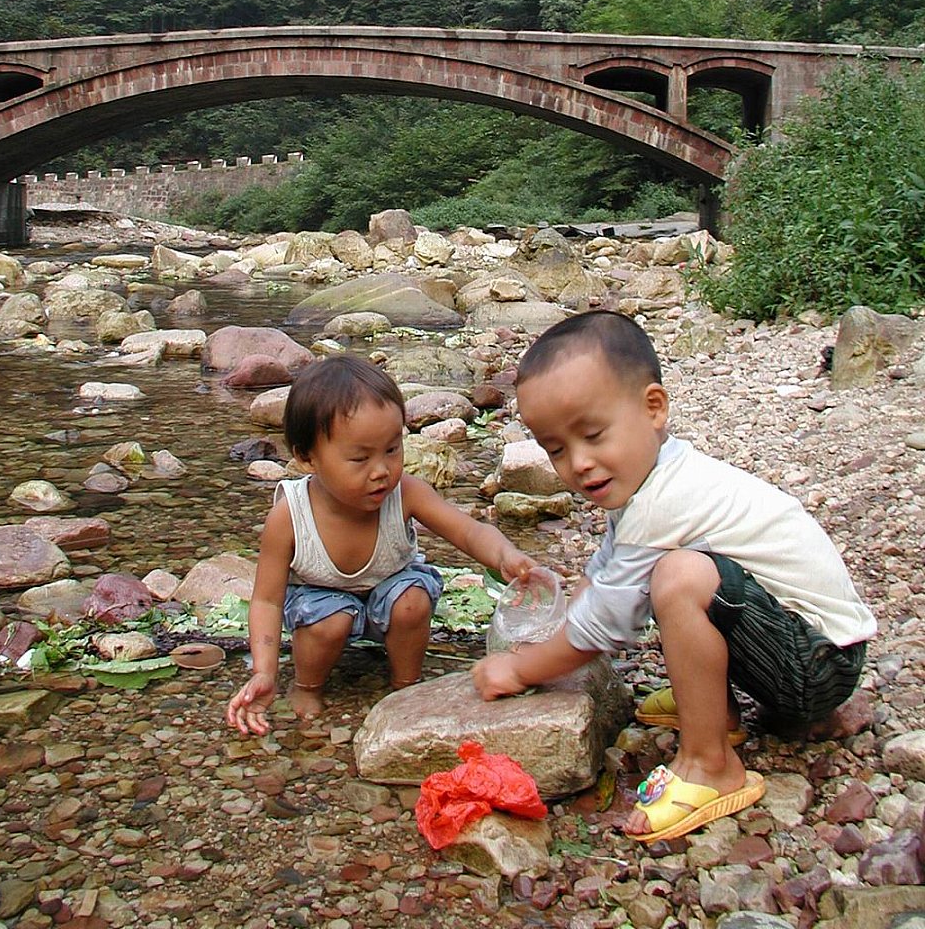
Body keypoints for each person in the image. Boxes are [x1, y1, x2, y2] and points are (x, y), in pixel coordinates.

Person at [472, 310, 876, 844]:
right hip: (797, 646)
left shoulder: (665, 499)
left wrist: (523, 668)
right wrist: (561, 623)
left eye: (593, 435)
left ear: (654, 408)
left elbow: (604, 628)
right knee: (674, 571)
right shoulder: (655, 473)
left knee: (680, 577)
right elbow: (608, 568)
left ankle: (711, 764)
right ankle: (715, 711)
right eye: (557, 449)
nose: (580, 463)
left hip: (819, 667)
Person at [227, 354, 536, 734]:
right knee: (329, 621)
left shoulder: (405, 493)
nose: (381, 471)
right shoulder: (290, 515)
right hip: (319, 608)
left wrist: (505, 555)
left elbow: (468, 532)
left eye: (392, 450)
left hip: (390, 598)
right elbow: (267, 600)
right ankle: (307, 685)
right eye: (360, 458)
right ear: (307, 458)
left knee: (412, 598)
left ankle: (406, 685)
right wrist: (264, 671)